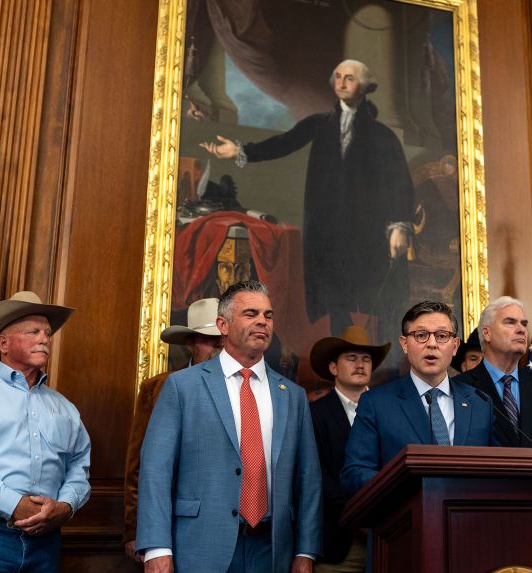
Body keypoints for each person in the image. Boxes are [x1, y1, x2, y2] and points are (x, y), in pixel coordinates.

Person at [201, 59, 415, 339]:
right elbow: (284, 143)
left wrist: (399, 226)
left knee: (370, 297)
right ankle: (341, 355)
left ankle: (373, 363)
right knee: (334, 300)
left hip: (366, 231)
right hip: (327, 230)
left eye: (349, 78)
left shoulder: (382, 135)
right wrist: (240, 151)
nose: (341, 83)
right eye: (337, 76)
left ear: (365, 86)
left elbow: (400, 183)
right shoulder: (320, 124)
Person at [136, 280, 321, 573]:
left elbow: (308, 479)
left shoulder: (293, 395)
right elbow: (155, 470)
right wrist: (157, 548)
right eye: (251, 313)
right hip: (200, 548)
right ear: (223, 324)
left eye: (268, 315)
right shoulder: (182, 387)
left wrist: (306, 551)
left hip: (272, 550)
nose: (262, 321)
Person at [0, 291, 91, 572]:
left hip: (46, 545)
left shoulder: (66, 408)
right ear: (4, 343)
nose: (45, 339)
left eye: (47, 333)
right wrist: (14, 504)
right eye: (33, 331)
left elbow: (78, 469)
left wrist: (65, 507)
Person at [340, 301, 494, 498]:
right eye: (421, 335)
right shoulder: (376, 403)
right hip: (404, 521)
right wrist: (408, 492)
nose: (431, 344)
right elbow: (355, 473)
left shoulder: (480, 403)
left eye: (442, 336)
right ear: (404, 344)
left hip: (468, 523)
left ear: (455, 346)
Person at [123, 298, 223, 561]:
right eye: (208, 339)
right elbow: (138, 466)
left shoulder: (244, 389)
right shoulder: (157, 388)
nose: (218, 347)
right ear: (190, 343)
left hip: (228, 527)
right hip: (172, 526)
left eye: (222, 339)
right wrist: (134, 530)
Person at [308, 326, 390, 572]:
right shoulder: (315, 413)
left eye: (366, 359)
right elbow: (316, 474)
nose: (360, 364)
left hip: (387, 532)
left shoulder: (389, 410)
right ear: (333, 368)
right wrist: (356, 514)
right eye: (351, 358)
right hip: (337, 539)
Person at [453, 297, 532, 448]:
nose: (521, 329)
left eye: (524, 324)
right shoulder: (459, 388)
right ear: (487, 333)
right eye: (510, 322)